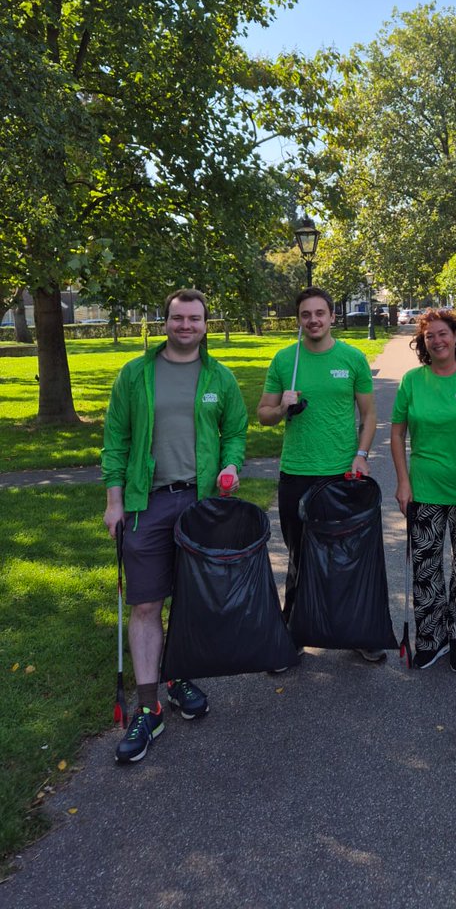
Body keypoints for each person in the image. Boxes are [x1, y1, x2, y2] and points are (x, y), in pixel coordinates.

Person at [102, 288, 248, 763]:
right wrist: (114, 501)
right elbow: (115, 441)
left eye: (194, 319)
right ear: (164, 322)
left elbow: (236, 431)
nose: (186, 326)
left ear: (206, 325)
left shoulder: (219, 377)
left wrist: (230, 465)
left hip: (200, 502)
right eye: (177, 318)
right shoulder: (136, 374)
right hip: (147, 505)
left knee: (190, 601)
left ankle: (178, 673)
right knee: (145, 604)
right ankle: (149, 707)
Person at [257, 286, 379, 659]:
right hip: (296, 472)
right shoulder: (284, 360)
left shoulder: (352, 358)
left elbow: (370, 414)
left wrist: (361, 454)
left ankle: (355, 632)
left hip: (341, 476)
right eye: (306, 315)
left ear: (331, 317)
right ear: (299, 320)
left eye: (320, 313)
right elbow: (263, 415)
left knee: (344, 557)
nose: (313, 320)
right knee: (300, 558)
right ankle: (291, 635)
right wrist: (282, 408)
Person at [390, 309, 456, 671]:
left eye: (443, 333)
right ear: (423, 342)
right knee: (425, 569)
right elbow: (397, 433)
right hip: (425, 489)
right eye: (430, 335)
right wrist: (403, 481)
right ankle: (432, 639)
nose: (438, 340)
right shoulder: (412, 381)